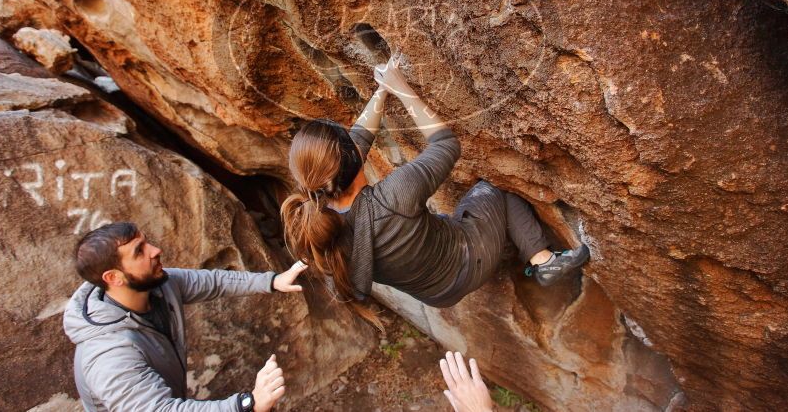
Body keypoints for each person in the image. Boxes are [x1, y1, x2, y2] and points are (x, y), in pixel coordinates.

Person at [281, 56, 589, 328]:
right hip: (467, 263)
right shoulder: (394, 196)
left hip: (436, 294)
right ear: (353, 160)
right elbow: (446, 145)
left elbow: (355, 144)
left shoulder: (320, 214)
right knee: (495, 187)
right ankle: (543, 260)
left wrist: (382, 91)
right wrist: (400, 86)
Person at [63, 221, 307, 412]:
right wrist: (247, 404)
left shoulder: (157, 286)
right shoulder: (109, 355)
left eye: (146, 242)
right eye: (139, 251)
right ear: (114, 278)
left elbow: (213, 282)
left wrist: (272, 281)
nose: (155, 250)